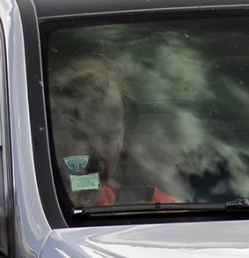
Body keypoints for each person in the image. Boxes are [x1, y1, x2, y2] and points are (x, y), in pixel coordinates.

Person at [49, 56, 173, 207]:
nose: (98, 151)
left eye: (110, 135)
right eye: (80, 135)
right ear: (53, 138)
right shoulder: (28, 207)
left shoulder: (156, 207)